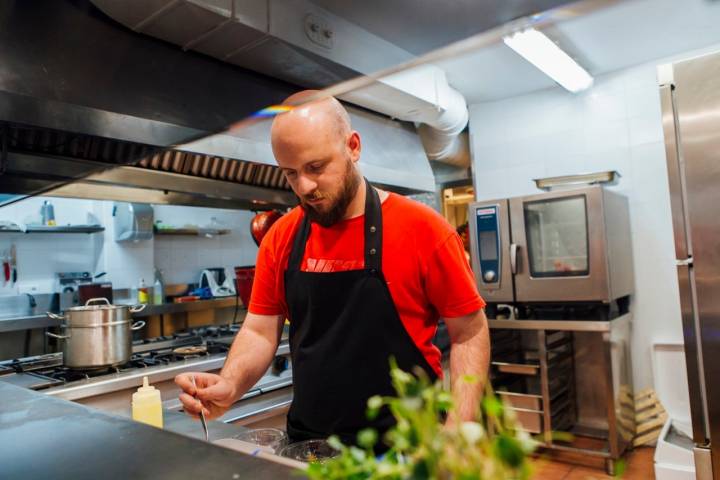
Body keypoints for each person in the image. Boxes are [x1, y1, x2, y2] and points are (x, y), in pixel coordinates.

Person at [175, 91, 490, 448]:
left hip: (409, 446)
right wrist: (230, 383)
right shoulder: (282, 236)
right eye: (290, 174)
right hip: (311, 446)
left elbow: (469, 331)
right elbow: (261, 331)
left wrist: (459, 426)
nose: (304, 187)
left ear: (353, 147)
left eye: (315, 167)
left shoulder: (424, 230)